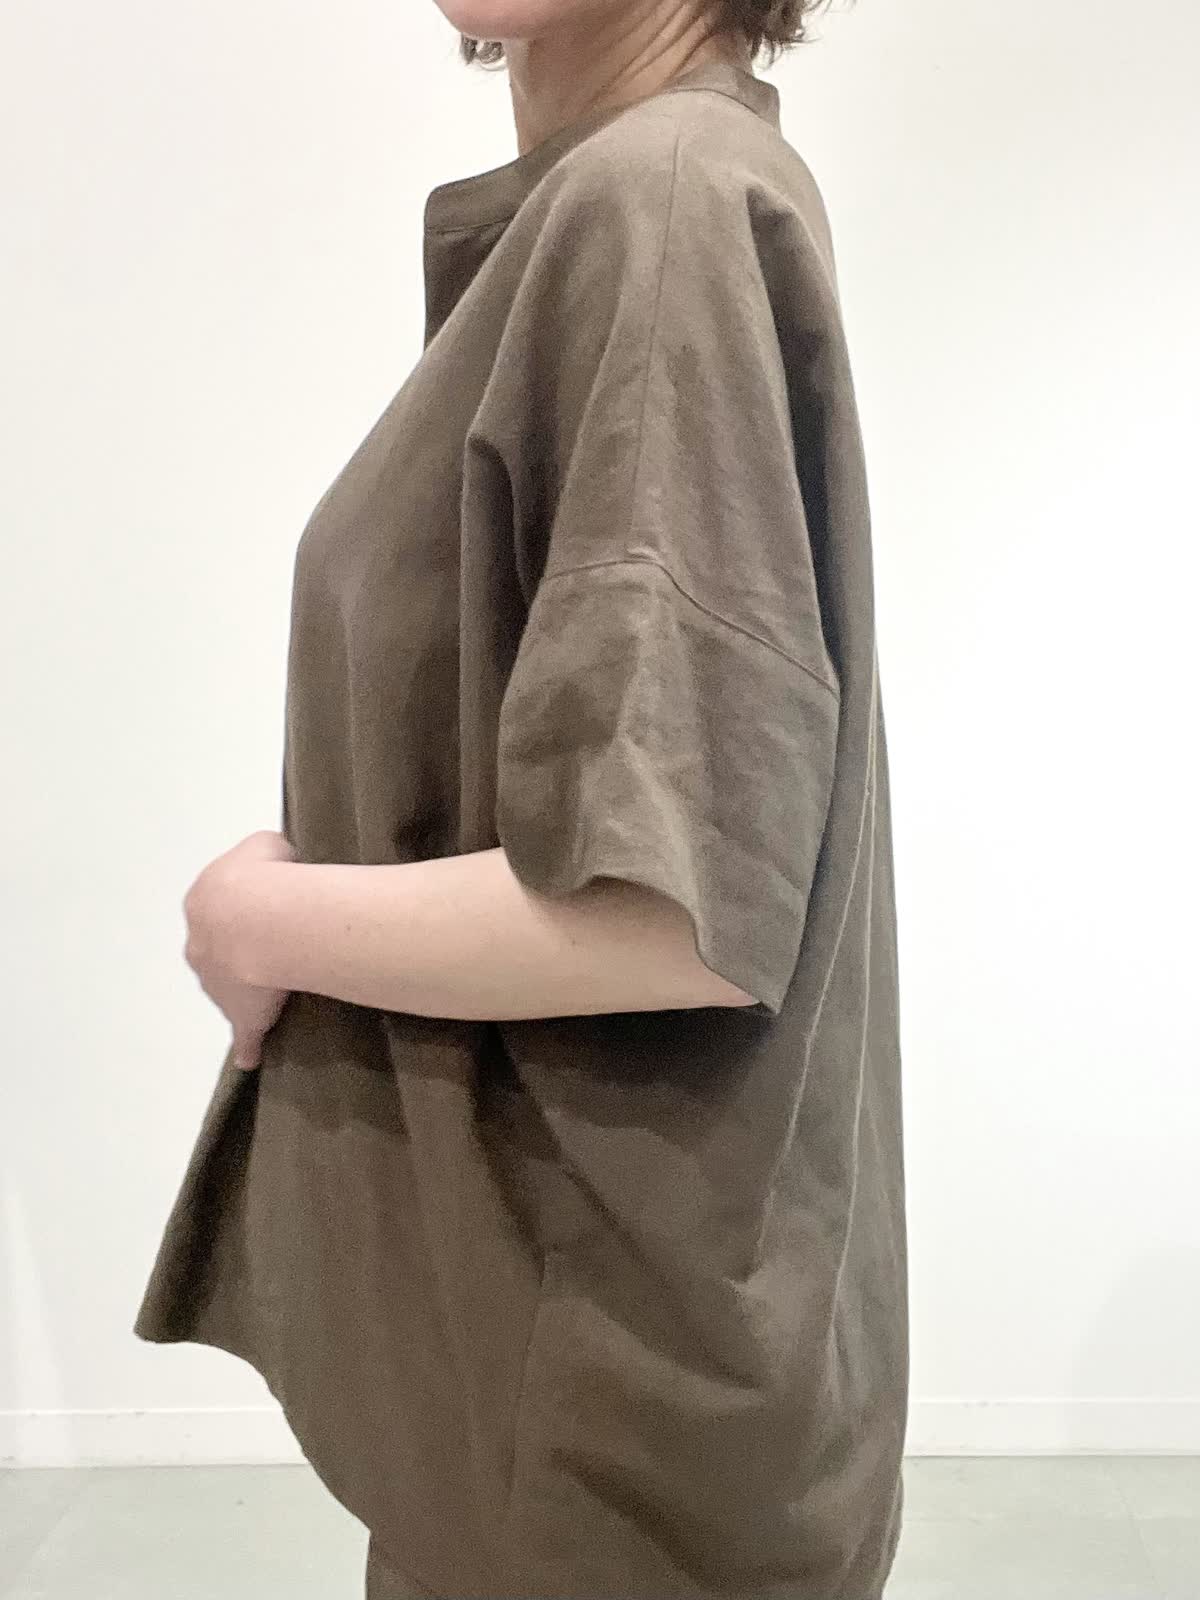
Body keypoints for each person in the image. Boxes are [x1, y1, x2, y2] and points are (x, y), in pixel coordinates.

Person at [134, 2, 909, 1596]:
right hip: (542, 1374)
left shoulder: (661, 201)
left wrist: (259, 918)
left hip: (595, 1438)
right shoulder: (633, 194)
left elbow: (668, 919)